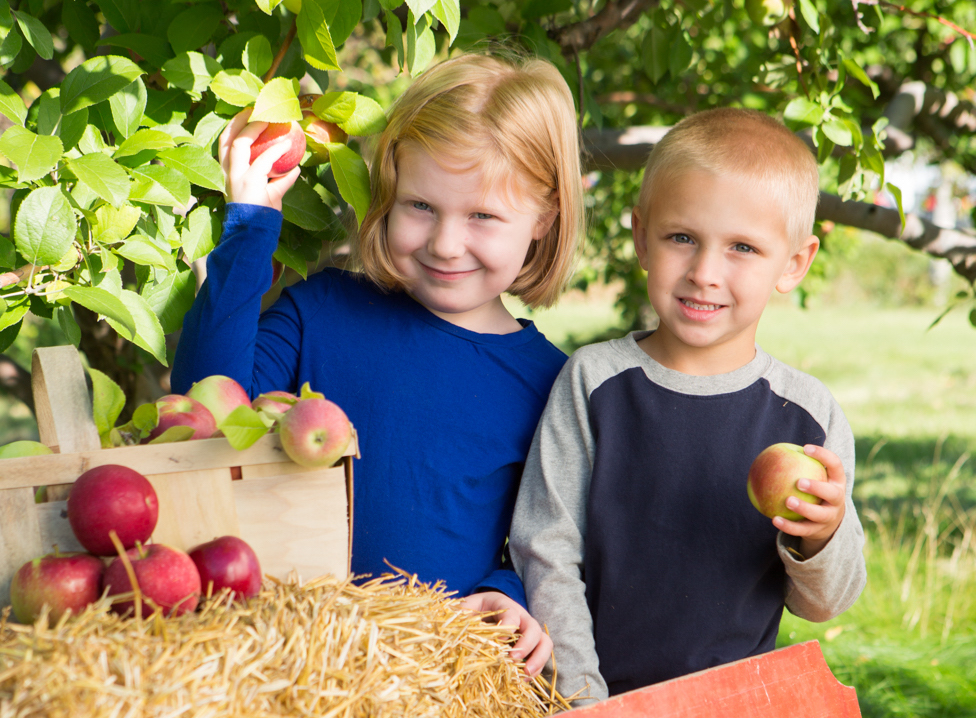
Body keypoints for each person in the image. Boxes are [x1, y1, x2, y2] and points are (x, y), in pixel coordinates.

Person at [170, 52, 586, 676]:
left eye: (482, 217)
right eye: (420, 206)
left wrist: (508, 593)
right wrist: (252, 224)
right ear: (388, 192)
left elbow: (545, 540)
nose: (446, 243)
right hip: (277, 660)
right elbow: (207, 401)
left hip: (425, 677)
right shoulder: (323, 310)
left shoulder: (550, 384)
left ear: (544, 219)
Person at [508, 108, 867, 701]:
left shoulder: (807, 415)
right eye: (682, 238)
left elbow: (823, 602)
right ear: (640, 238)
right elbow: (545, 551)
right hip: (599, 698)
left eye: (743, 248)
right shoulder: (595, 382)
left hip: (735, 706)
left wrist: (822, 537)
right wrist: (584, 700)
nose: (704, 272)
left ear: (794, 264)